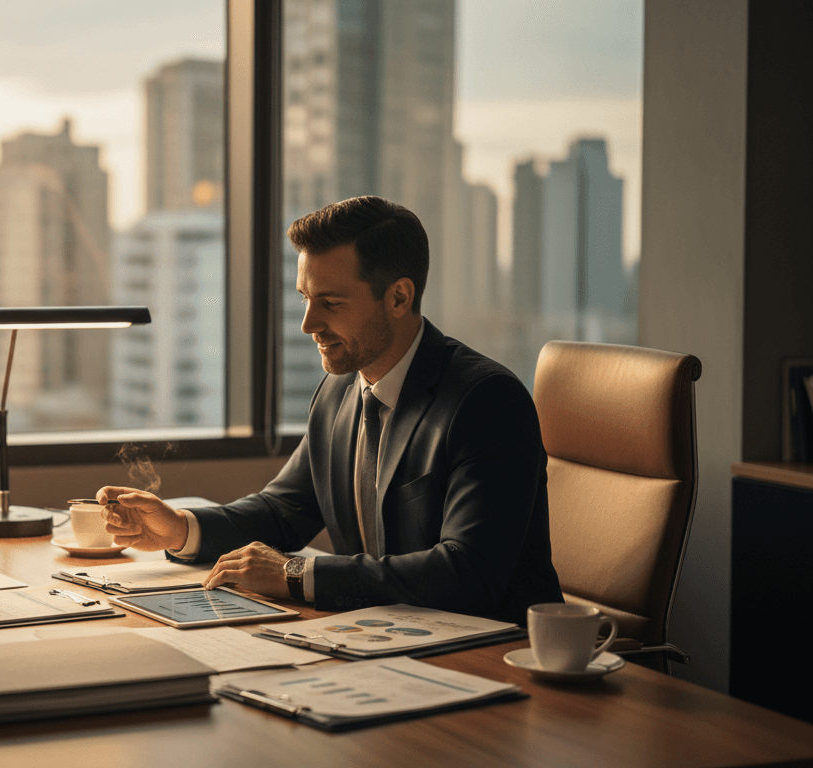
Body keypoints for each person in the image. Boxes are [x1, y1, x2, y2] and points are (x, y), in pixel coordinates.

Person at [98, 196, 561, 625]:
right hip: (380, 638)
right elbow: (284, 510)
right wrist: (181, 529)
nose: (308, 324)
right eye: (304, 298)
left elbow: (467, 572)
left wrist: (298, 573)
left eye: (330, 303)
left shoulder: (486, 402)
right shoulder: (340, 390)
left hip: (493, 654)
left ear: (399, 297)